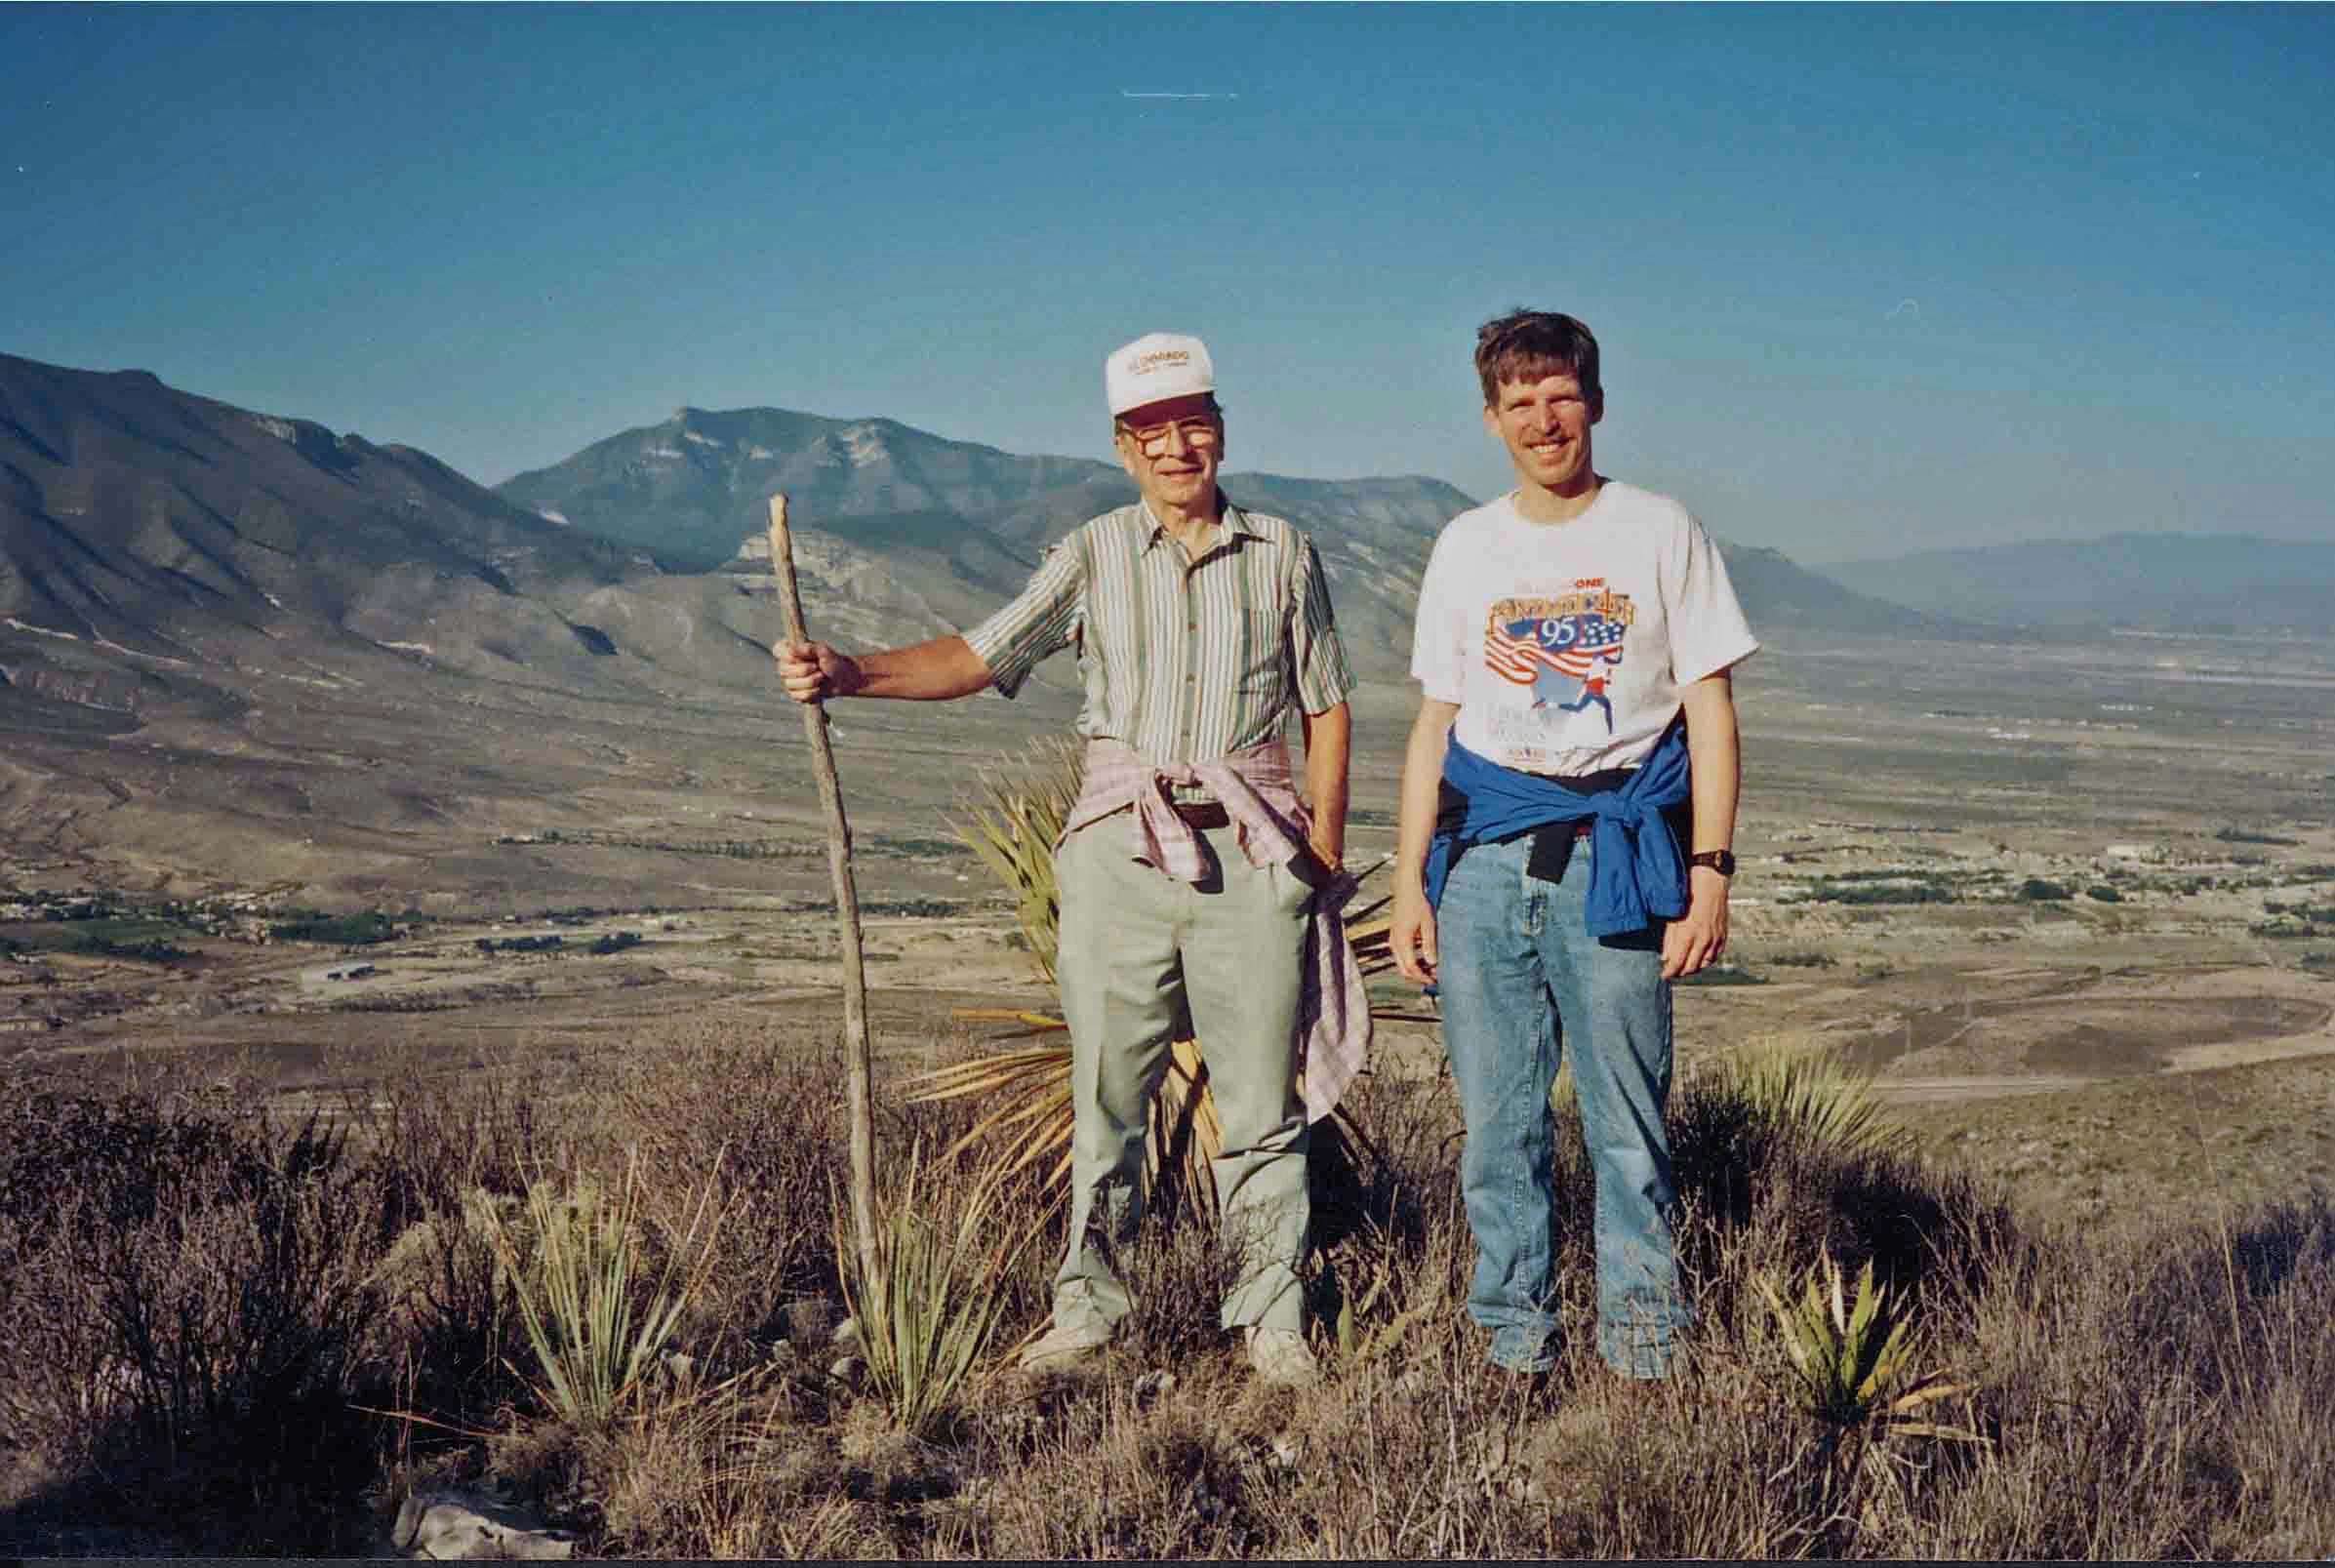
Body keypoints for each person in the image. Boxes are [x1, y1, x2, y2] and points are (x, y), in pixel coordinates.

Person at [776, 333, 1359, 1387]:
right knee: (1106, 1094)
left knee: (1262, 1102)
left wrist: (1321, 842)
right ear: (1123, 448)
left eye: (1192, 423)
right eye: (1152, 432)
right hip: (1115, 852)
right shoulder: (1090, 553)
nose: (1177, 447)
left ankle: (1271, 1318)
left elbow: (1325, 700)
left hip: (1254, 847)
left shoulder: (1284, 551)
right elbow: (980, 652)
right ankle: (1090, 1308)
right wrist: (851, 670)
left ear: (1218, 428)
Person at [1389, 309, 1757, 1380]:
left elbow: (1710, 709)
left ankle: (1645, 1352)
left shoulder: (1657, 528)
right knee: (1496, 1128)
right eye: (1518, 402)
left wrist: (1710, 871)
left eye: (1559, 395)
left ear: (1593, 402)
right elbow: (1433, 722)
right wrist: (1411, 879)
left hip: (1615, 853)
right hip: (1484, 858)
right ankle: (1514, 1346)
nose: (1542, 419)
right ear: (1491, 418)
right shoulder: (1466, 544)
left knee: (1626, 1127)